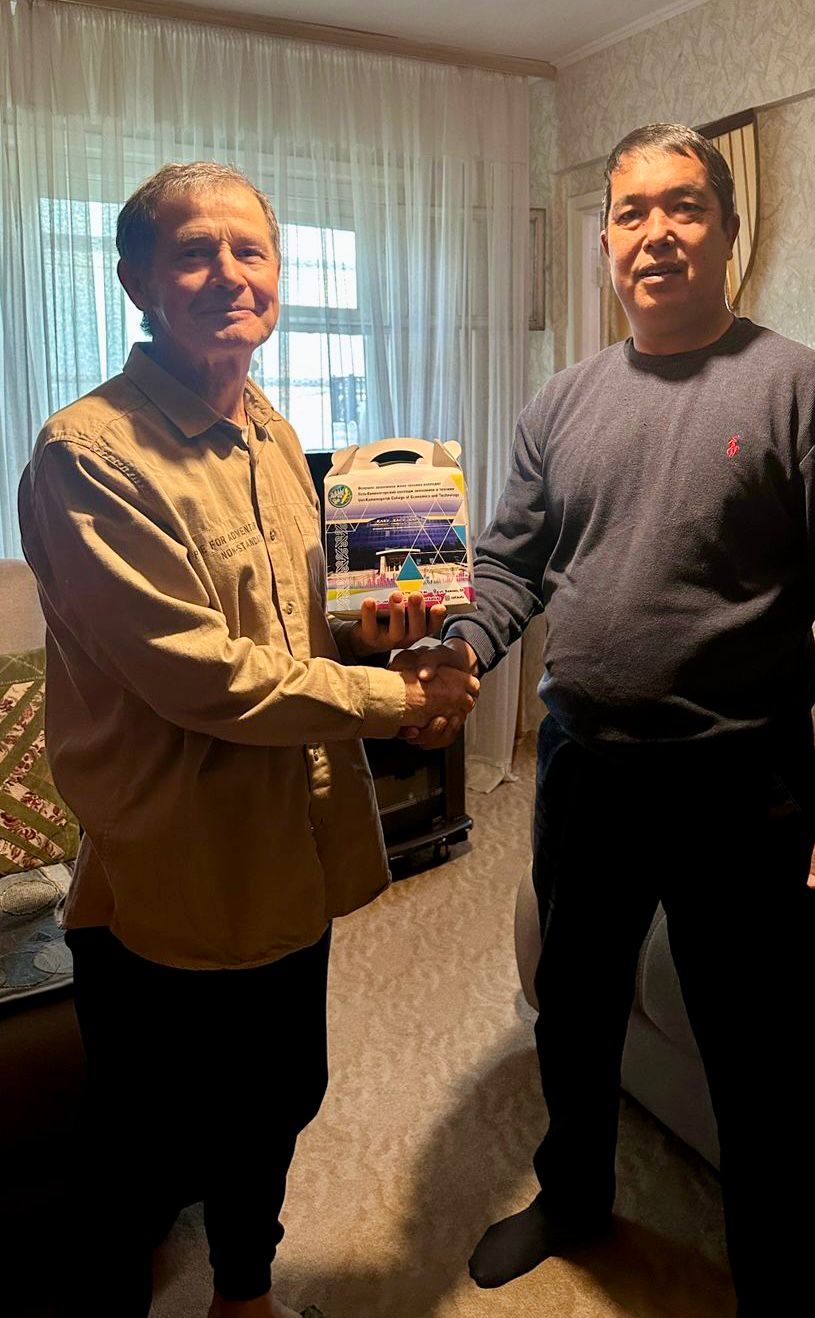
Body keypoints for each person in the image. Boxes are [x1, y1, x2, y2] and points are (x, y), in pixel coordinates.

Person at [411, 124, 815, 1316]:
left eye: (684, 206)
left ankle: (779, 1283)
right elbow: (511, 564)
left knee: (760, 1059)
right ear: (604, 242)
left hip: (745, 787)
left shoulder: (799, 392)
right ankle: (574, 1196)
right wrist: (463, 646)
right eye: (631, 211)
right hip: (584, 772)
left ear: (726, 231)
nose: (656, 233)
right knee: (575, 1013)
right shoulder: (561, 403)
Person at [17, 161, 479, 1318]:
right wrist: (397, 701)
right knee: (146, 1140)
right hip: (175, 866)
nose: (228, 274)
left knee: (279, 1094)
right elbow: (202, 677)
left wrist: (379, 631)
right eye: (193, 251)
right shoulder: (88, 455)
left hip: (289, 843)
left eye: (250, 250)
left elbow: (295, 621)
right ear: (136, 281)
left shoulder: (271, 430)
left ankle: (243, 1294)